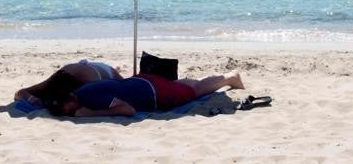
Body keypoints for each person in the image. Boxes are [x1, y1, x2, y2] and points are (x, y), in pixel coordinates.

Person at [46, 70, 244, 118]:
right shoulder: (81, 92)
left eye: (67, 108)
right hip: (142, 82)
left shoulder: (90, 99)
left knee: (194, 91)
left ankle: (229, 77)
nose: (68, 112)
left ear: (70, 98)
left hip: (154, 92)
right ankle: (193, 81)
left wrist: (91, 114)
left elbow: (128, 110)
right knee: (180, 86)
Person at [14, 59, 124, 106]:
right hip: (79, 68)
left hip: (106, 71)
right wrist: (32, 99)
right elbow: (20, 92)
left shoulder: (91, 85)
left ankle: (117, 68)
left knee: (125, 84)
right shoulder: (56, 79)